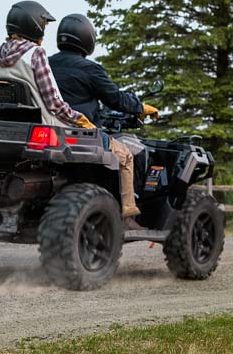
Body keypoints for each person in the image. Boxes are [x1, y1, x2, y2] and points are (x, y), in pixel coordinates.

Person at [49, 13, 159, 228]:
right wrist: (141, 107)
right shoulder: (89, 68)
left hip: (52, 131)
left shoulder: (46, 64)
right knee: (126, 156)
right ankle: (128, 215)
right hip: (83, 134)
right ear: (86, 38)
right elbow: (115, 98)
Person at [0, 1, 94, 130]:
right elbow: (54, 103)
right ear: (34, 27)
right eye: (43, 26)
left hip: (5, 125)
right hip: (44, 126)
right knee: (103, 138)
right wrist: (80, 119)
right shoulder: (35, 53)